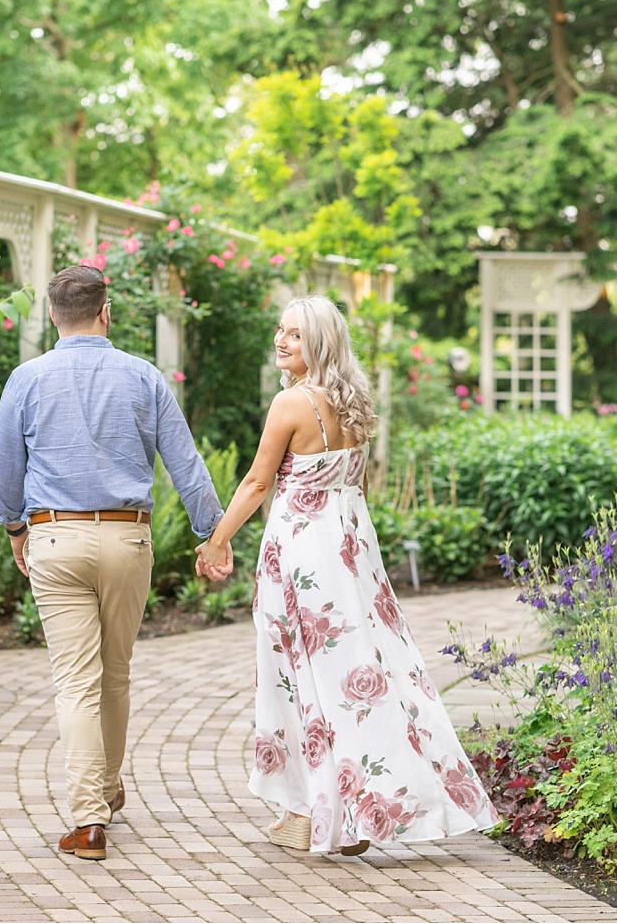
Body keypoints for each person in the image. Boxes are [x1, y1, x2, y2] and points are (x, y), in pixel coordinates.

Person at [196, 295, 499, 855]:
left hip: (301, 553)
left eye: (294, 334)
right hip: (348, 550)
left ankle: (312, 811)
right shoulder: (353, 402)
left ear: (320, 343)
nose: (281, 341)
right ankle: (354, 807)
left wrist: (217, 539)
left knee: (297, 676)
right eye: (279, 331)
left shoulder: (291, 403)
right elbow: (356, 489)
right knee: (366, 672)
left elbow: (259, 484)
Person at [0, 265, 228, 862]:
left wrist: (15, 527)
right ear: (107, 310)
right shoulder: (143, 377)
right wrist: (213, 535)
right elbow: (186, 464)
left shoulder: (26, 379)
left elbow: (6, 473)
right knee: (115, 675)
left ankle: (89, 818)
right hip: (127, 542)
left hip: (54, 539)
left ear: (52, 314)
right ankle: (106, 787)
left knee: (76, 683)